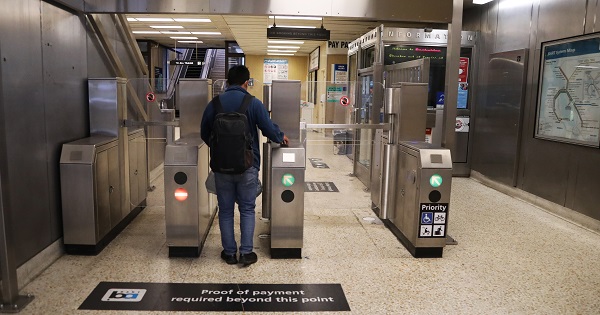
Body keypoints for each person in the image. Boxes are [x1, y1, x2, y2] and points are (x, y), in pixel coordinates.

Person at [201, 65, 289, 267]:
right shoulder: (253, 103)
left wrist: (219, 150)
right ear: (246, 82)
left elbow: (204, 132)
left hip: (221, 168)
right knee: (247, 209)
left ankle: (230, 253)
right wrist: (280, 136)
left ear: (228, 82)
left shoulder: (214, 104)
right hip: (248, 166)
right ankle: (247, 252)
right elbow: (268, 129)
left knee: (225, 210)